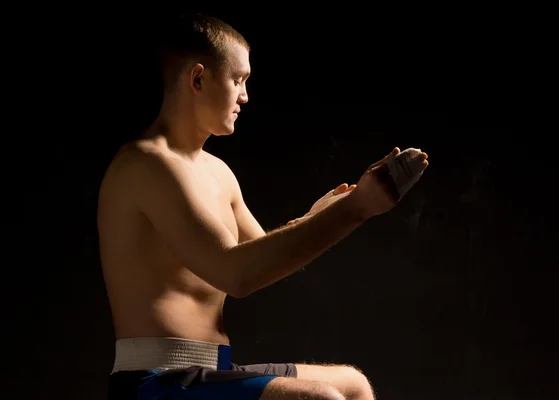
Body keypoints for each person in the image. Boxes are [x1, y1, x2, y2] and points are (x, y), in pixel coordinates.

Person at [98, 12, 428, 400]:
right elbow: (237, 274)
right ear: (198, 79)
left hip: (211, 371)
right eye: (238, 80)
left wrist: (315, 216)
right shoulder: (146, 164)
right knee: (320, 398)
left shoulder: (218, 172)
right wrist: (355, 209)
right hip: (154, 380)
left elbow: (261, 255)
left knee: (352, 384)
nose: (245, 96)